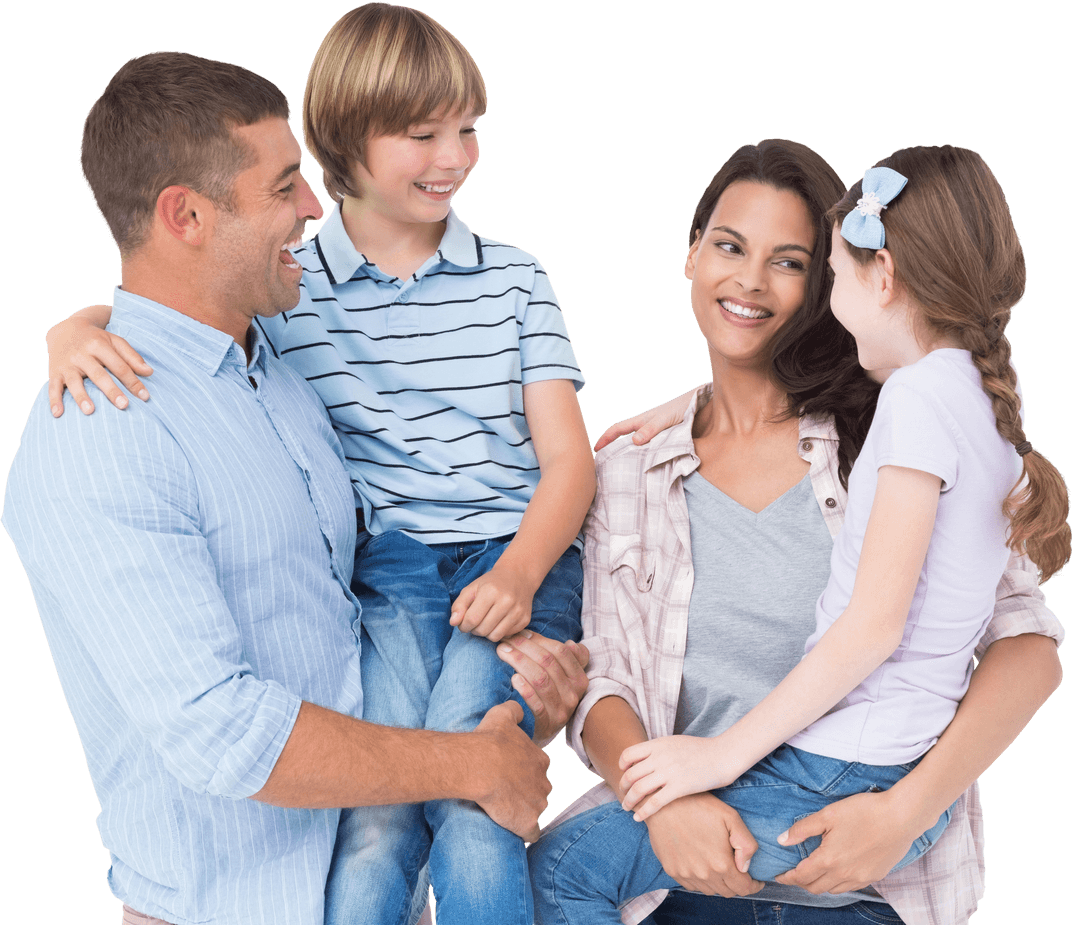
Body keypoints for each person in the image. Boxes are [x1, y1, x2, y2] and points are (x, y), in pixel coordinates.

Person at [3, 49, 588, 925]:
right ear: (186, 214)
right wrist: (469, 764)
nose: (315, 206)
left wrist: (518, 707)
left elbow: (354, 629)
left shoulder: (276, 360)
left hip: (383, 886)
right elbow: (222, 732)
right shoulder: (100, 433)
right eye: (284, 188)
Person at [527, 140, 1064, 925]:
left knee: (554, 870)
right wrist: (666, 805)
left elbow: (1029, 652)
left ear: (838, 281)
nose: (748, 279)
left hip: (863, 890)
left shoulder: (892, 432)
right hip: (674, 887)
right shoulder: (629, 472)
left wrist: (908, 810)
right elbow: (602, 682)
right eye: (729, 245)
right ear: (691, 252)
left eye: (790, 262)